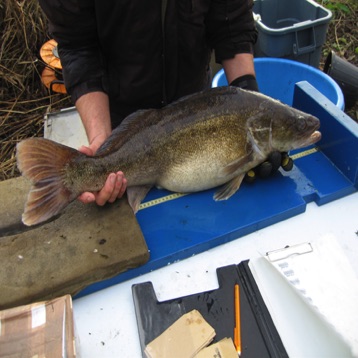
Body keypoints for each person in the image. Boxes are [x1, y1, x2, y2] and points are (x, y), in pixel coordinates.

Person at [38, 0, 285, 207]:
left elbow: (231, 21)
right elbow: (78, 45)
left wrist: (251, 102)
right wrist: (103, 142)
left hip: (198, 113)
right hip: (122, 122)